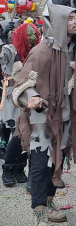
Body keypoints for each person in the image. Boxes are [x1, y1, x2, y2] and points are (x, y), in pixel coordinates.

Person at [11, 4, 76, 226]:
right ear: (59, 22)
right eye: (70, 18)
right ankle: (39, 214)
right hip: (41, 118)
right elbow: (22, 83)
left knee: (57, 163)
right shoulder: (41, 52)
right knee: (40, 165)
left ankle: (49, 202)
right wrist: (32, 97)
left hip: (67, 119)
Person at [1, 22, 40, 186]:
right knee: (17, 134)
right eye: (28, 37)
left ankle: (19, 168)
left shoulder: (36, 52)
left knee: (27, 134)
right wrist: (2, 37)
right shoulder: (10, 50)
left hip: (30, 97)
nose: (31, 40)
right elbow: (2, 56)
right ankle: (8, 168)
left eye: (34, 37)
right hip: (13, 96)